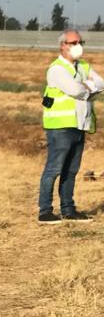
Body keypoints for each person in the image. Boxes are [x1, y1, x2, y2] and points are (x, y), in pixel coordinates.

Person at [38, 29, 103, 223]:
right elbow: (75, 90)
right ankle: (45, 210)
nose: (78, 46)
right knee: (54, 169)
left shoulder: (83, 65)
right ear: (63, 45)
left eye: (79, 42)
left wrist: (87, 87)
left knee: (71, 171)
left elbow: (101, 83)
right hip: (60, 126)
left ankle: (68, 209)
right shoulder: (56, 69)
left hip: (79, 124)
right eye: (73, 43)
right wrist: (88, 87)